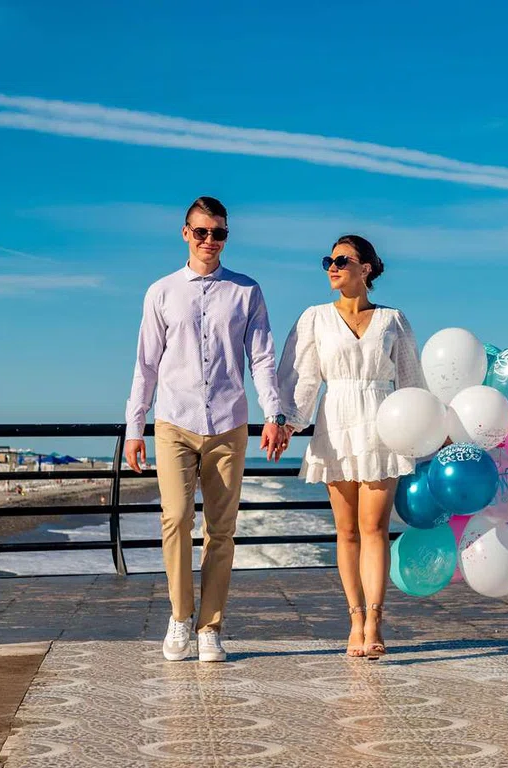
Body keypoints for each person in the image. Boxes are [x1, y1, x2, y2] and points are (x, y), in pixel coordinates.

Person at [124, 196, 288, 663]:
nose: (210, 241)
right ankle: (180, 618)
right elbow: (145, 365)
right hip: (174, 422)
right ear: (185, 233)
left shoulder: (247, 291)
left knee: (221, 529)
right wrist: (135, 426)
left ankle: (210, 626)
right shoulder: (161, 291)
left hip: (229, 423)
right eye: (201, 232)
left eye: (219, 233)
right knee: (175, 519)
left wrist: (273, 414)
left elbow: (261, 359)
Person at [275, 235, 423, 659]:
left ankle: (375, 621)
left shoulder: (393, 319)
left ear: (368, 269)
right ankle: (354, 619)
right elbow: (301, 377)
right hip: (336, 421)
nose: (333, 267)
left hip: (382, 421)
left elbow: (411, 380)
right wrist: (289, 422)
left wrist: (428, 431)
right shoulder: (315, 318)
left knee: (375, 528)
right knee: (346, 531)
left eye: (343, 260)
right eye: (329, 260)